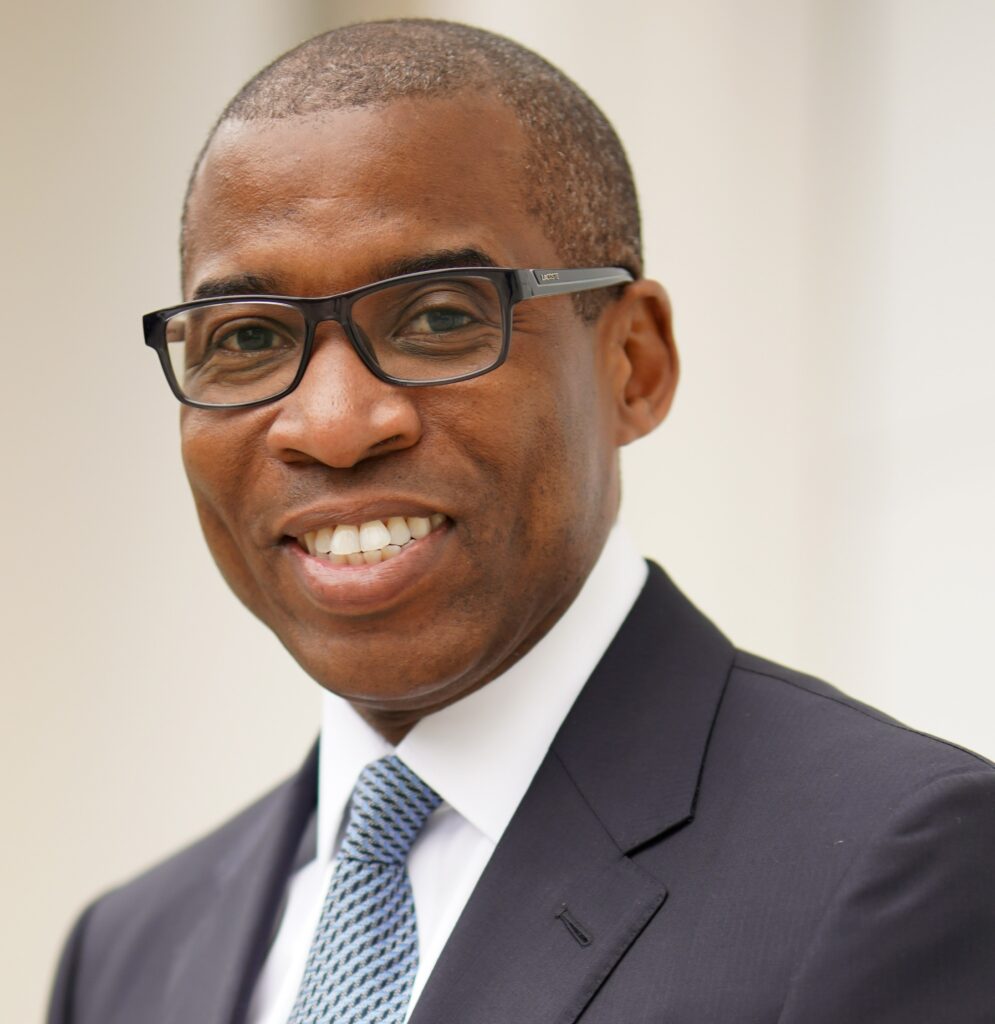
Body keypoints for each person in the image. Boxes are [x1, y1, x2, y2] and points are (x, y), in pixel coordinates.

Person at [48, 19, 995, 1024]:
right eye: (246, 338)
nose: (331, 425)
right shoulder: (125, 955)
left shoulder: (896, 865)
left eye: (439, 316)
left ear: (633, 363)